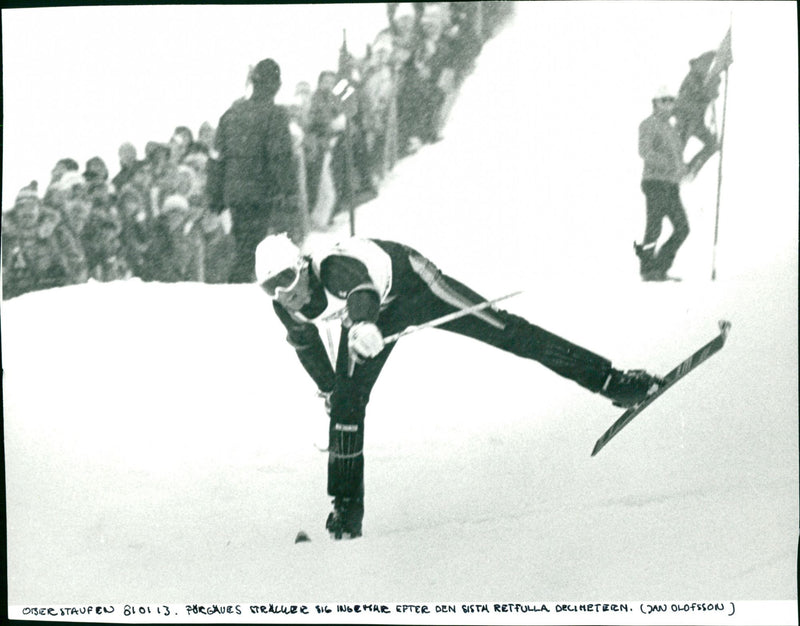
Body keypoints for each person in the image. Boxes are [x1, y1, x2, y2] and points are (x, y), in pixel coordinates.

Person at [254, 233, 665, 539]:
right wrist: (331, 390)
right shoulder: (284, 308)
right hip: (371, 316)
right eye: (271, 287)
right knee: (346, 402)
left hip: (414, 284)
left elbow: (360, 288)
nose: (283, 293)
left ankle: (614, 382)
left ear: (303, 266)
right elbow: (307, 348)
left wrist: (363, 324)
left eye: (287, 279)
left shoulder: (331, 268)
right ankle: (346, 511)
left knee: (506, 331)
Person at [209, 57, 301, 282]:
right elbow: (280, 157)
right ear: (276, 85)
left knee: (244, 244)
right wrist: (290, 190)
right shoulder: (275, 114)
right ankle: (237, 289)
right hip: (260, 192)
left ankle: (237, 285)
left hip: (234, 193)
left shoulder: (230, 114)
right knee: (253, 249)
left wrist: (215, 196)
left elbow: (216, 159)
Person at [635, 85, 690, 282]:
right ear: (655, 103)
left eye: (670, 100)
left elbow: (676, 158)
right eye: (664, 100)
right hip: (655, 182)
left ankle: (659, 267)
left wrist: (682, 168)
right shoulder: (648, 124)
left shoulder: (672, 129)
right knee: (654, 226)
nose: (668, 104)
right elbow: (645, 151)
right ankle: (649, 270)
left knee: (682, 228)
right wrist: (670, 166)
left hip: (670, 184)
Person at [2, 183, 88, 299]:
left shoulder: (58, 233)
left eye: (31, 207)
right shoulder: (6, 237)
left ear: (40, 209)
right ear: (15, 211)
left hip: (53, 297)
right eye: (22, 207)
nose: (27, 213)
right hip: (15, 300)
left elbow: (78, 265)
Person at [675, 51, 721, 181]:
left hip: (696, 121)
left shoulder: (704, 76)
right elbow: (705, 93)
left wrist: (713, 87)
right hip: (686, 119)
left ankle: (690, 170)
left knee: (712, 144)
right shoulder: (693, 78)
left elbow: (712, 92)